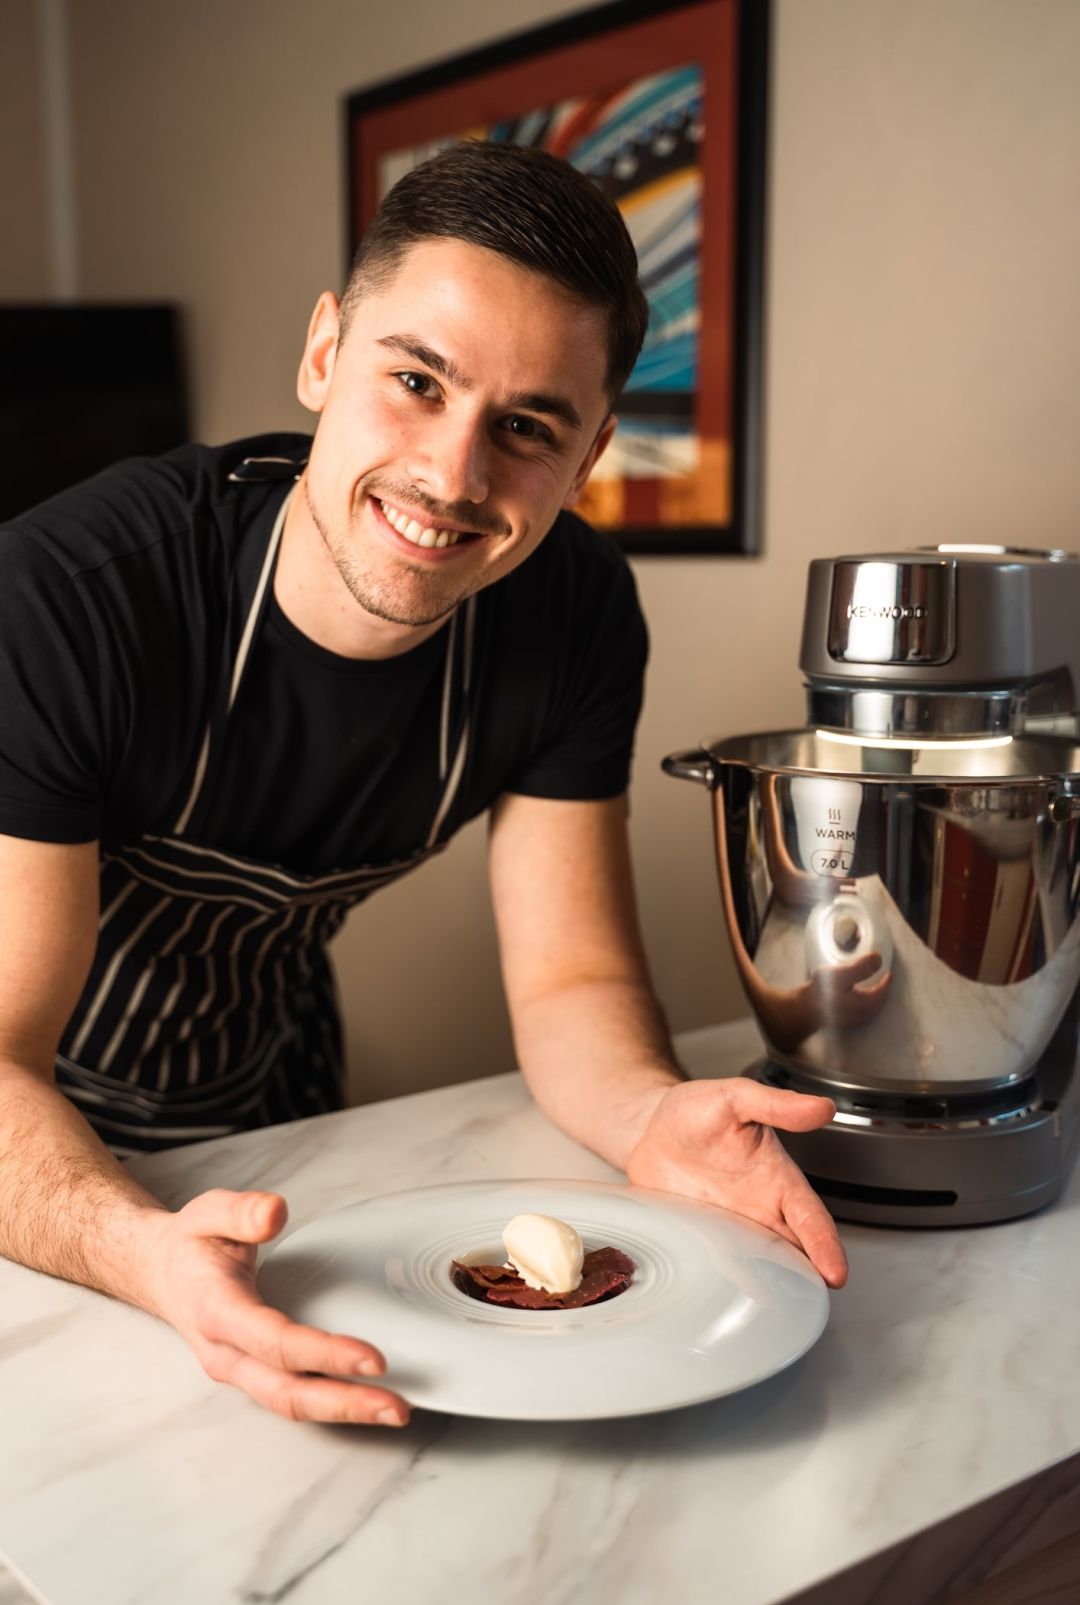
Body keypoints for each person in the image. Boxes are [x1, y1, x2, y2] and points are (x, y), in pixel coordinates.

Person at [0, 141, 846, 1429]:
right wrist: (136, 1248)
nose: (454, 478)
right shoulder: (64, 601)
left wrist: (648, 1120)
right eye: (415, 381)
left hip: (274, 1090)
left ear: (593, 453)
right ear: (324, 353)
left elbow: (574, 985)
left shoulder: (573, 618)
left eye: (527, 429)